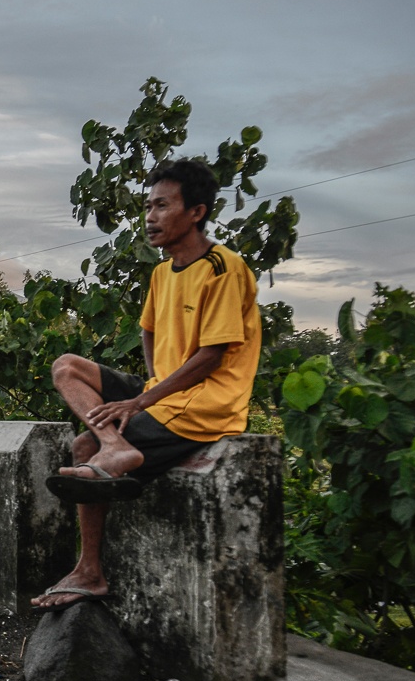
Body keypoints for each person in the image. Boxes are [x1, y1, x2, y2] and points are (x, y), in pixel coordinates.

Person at [32, 158, 261, 612]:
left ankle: (90, 572)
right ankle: (115, 446)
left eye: (162, 206)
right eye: (148, 206)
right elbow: (149, 328)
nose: (150, 217)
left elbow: (211, 355)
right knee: (66, 367)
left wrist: (142, 400)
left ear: (196, 211)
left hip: (205, 405)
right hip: (165, 392)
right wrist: (152, 383)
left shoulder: (222, 267)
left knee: (82, 449)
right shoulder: (162, 272)